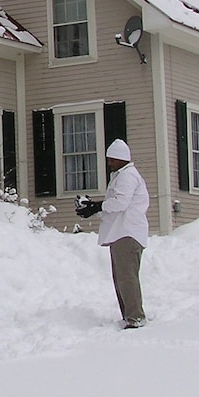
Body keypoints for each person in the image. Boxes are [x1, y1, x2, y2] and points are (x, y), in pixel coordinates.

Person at [76, 139, 149, 329]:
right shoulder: (120, 176)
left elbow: (120, 203)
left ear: (121, 158)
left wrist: (98, 205)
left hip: (127, 234)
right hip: (121, 233)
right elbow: (114, 206)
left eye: (112, 159)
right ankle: (129, 316)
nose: (109, 163)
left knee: (127, 278)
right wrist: (93, 208)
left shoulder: (127, 176)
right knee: (121, 279)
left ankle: (135, 318)